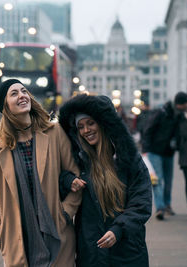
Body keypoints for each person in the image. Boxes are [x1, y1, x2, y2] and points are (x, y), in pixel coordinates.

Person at [0, 79, 82, 267]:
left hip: (57, 233)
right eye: (14, 93)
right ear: (5, 106)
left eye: (23, 91)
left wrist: (66, 213)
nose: (22, 95)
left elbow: (75, 176)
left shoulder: (55, 132)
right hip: (18, 238)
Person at [59, 94, 152, 266]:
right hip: (91, 251)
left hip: (127, 249)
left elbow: (142, 203)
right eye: (80, 126)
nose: (86, 130)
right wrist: (67, 180)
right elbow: (57, 184)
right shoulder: (78, 160)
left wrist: (119, 229)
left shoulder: (129, 159)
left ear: (104, 123)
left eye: (91, 123)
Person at [142, 91, 187, 220]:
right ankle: (160, 208)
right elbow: (148, 129)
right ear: (179, 104)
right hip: (154, 151)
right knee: (158, 180)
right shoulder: (161, 112)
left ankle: (167, 205)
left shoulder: (179, 115)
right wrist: (145, 149)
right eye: (185, 104)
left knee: (168, 181)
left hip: (169, 152)